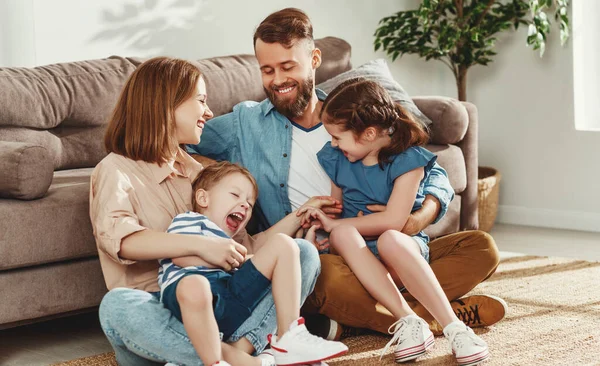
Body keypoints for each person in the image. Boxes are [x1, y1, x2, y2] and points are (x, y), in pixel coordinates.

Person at [187, 6, 505, 341]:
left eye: (287, 66)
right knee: (319, 277)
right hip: (329, 255)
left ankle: (364, 319)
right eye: (267, 70)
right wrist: (223, 177)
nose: (277, 80)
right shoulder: (245, 122)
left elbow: (428, 169)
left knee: (481, 247)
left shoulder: (353, 112)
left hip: (394, 246)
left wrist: (417, 218)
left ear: (314, 59)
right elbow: (184, 141)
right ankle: (435, 316)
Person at [89, 56, 324, 366]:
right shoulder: (115, 170)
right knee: (116, 306)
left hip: (223, 306)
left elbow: (245, 247)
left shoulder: (199, 174)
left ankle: (234, 354)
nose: (209, 112)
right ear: (166, 104)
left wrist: (300, 215)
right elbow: (123, 241)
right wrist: (202, 246)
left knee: (303, 253)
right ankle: (244, 359)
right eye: (201, 101)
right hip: (161, 315)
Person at [296, 77, 489, 365]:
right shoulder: (338, 159)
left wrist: (339, 225)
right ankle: (410, 320)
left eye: (338, 137)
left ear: (369, 133)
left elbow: (396, 220)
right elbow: (337, 211)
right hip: (358, 262)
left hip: (401, 252)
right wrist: (323, 225)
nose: (333, 144)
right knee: (340, 239)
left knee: (391, 238)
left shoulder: (407, 161)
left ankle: (453, 327)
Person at [158, 161, 347, 366]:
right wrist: (236, 260)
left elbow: (264, 242)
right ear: (203, 198)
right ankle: (266, 348)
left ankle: (287, 337)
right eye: (235, 195)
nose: (245, 204)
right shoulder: (190, 220)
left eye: (249, 202)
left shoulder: (234, 239)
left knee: (287, 246)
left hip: (230, 301)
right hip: (194, 300)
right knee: (281, 246)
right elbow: (181, 256)